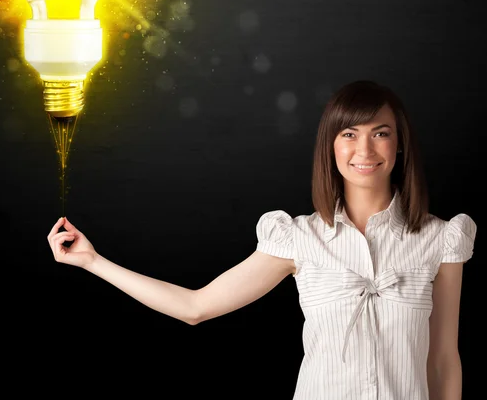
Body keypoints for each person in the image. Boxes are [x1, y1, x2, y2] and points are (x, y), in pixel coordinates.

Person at [48, 79, 476, 399]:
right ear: (330, 146)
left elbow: (442, 359)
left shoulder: (441, 240)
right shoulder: (298, 238)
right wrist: (93, 261)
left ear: (400, 145)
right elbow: (195, 307)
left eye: (380, 132)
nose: (364, 149)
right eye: (349, 133)